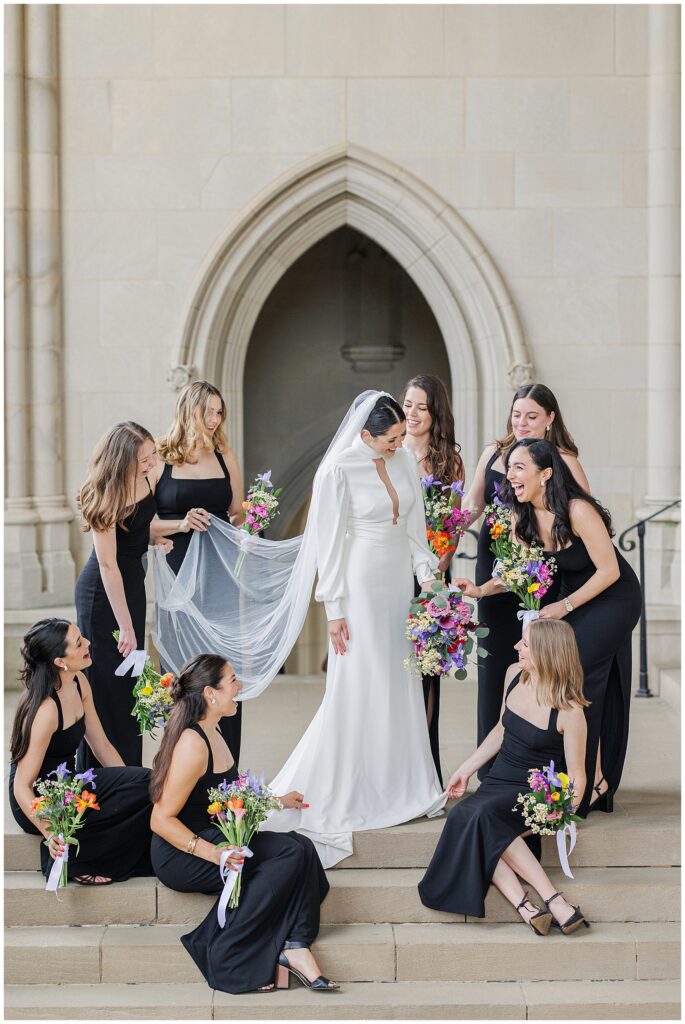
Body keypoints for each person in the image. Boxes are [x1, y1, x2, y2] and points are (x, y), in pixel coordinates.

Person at [263, 393, 445, 867]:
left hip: (398, 587)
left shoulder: (404, 459)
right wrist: (334, 609)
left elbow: (416, 528)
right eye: (390, 438)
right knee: (361, 684)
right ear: (366, 435)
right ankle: (348, 787)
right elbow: (327, 544)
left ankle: (406, 786)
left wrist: (430, 584)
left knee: (399, 680)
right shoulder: (337, 471)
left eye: (402, 436)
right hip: (360, 586)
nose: (399, 444)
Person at [457, 438, 641, 815]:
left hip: (613, 597)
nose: (509, 475)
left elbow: (610, 571)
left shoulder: (577, 510)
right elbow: (515, 571)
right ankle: (573, 776)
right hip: (572, 599)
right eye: (509, 468)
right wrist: (479, 590)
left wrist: (564, 605)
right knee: (556, 672)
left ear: (546, 473)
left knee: (578, 671)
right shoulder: (520, 513)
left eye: (519, 467)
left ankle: (586, 784)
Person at [150, 654, 336, 995]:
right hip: (183, 852)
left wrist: (277, 800)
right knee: (287, 858)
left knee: (301, 847)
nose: (240, 687)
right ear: (210, 693)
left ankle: (296, 944)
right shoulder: (192, 744)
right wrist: (216, 855)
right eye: (233, 680)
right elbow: (160, 819)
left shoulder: (214, 729)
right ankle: (222, 949)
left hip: (217, 837)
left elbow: (230, 793)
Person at [419, 619, 590, 935]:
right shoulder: (515, 676)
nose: (516, 648)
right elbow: (501, 729)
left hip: (531, 793)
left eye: (524, 644)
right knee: (470, 818)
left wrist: (558, 815)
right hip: (498, 782)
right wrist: (465, 769)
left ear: (546, 652)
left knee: (476, 819)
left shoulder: (570, 712)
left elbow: (578, 775)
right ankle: (533, 907)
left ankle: (549, 900)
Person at [462, 384, 589, 779]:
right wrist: (439, 538)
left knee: (538, 664)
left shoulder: (563, 458)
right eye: (517, 415)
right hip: (494, 562)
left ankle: (536, 765)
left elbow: (582, 517)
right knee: (495, 659)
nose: (521, 423)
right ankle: (490, 768)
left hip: (539, 570)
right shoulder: (493, 453)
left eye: (531, 416)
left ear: (550, 418)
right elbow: (471, 506)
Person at [9, 618, 153, 885]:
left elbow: (102, 745)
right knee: (142, 787)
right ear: (60, 662)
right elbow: (21, 786)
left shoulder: (78, 682)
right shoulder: (45, 710)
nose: (87, 643)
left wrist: (132, 783)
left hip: (69, 785)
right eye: (78, 643)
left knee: (147, 785)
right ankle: (70, 858)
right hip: (40, 799)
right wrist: (51, 832)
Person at [151, 380, 245, 761]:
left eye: (219, 412)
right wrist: (180, 523)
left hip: (220, 574)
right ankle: (180, 760)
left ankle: (226, 767)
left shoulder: (225, 454)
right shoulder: (159, 458)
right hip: (176, 572)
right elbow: (141, 523)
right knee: (183, 668)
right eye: (207, 411)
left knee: (223, 664)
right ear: (188, 410)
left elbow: (237, 511)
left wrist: (250, 523)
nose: (214, 419)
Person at [75, 421, 174, 768]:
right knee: (106, 686)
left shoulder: (147, 477)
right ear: (122, 460)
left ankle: (129, 773)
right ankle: (99, 778)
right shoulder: (104, 492)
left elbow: (139, 528)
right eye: (144, 459)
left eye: (152, 455)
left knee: (132, 684)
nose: (151, 464)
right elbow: (107, 565)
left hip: (131, 585)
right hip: (102, 597)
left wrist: (171, 529)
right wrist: (127, 626)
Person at [402, 373, 465, 786]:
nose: (411, 414)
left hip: (432, 578)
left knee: (427, 674)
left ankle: (426, 771)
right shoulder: (390, 451)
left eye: (421, 407)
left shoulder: (449, 462)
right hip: (393, 569)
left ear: (435, 412)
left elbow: (455, 523)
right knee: (396, 669)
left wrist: (437, 569)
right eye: (407, 404)